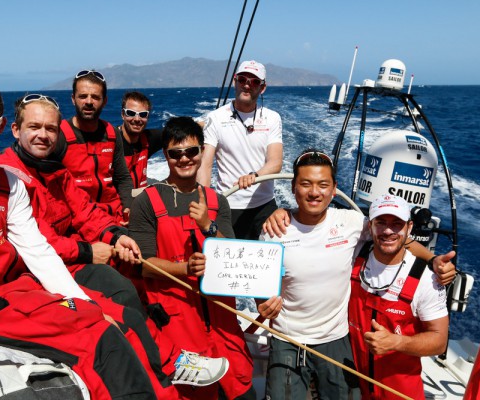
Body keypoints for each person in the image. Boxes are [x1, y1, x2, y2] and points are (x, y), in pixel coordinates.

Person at [0, 77, 156, 399]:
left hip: (14, 297)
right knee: (99, 337)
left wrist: (86, 304)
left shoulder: (8, 183)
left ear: (0, 125)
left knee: (104, 317)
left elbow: (38, 251)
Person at [0, 95, 229, 395]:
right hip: (40, 269)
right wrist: (90, 251)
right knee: (120, 300)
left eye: (51, 128)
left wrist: (117, 236)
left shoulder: (53, 168)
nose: (44, 135)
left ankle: (165, 350)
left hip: (71, 255)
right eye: (35, 127)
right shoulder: (9, 176)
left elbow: (85, 212)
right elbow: (38, 243)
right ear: (15, 130)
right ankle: (166, 367)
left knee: (132, 275)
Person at [258, 149, 456, 400]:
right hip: (286, 337)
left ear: (334, 189)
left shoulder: (352, 222)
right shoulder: (274, 230)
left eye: (323, 184)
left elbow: (393, 239)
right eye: (305, 184)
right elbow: (260, 284)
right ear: (293, 187)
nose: (314, 192)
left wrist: (432, 259)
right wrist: (261, 304)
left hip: (336, 339)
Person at [129, 117, 255, 399]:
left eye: (191, 151)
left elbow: (235, 256)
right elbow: (143, 264)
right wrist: (184, 268)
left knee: (242, 387)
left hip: (223, 321)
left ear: (201, 152)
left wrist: (207, 226)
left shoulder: (217, 201)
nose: (184, 159)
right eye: (176, 153)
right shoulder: (146, 202)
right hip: (177, 323)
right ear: (166, 155)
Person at [348, 194, 449, 400]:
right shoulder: (352, 254)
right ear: (370, 226)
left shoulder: (427, 279)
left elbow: (439, 341)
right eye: (381, 223)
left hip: (399, 393)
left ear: (409, 227)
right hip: (351, 386)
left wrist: (396, 343)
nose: (388, 231)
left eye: (397, 224)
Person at [198, 60, 283, 240]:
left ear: (262, 87)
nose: (247, 84)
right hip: (228, 206)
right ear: (235, 81)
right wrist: (203, 200)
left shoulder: (272, 118)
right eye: (242, 79)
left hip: (264, 205)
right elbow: (205, 164)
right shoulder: (215, 118)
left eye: (254, 82)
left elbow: (275, 162)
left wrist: (254, 176)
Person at [60, 69, 133, 224]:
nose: (88, 101)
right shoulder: (60, 135)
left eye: (95, 97)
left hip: (114, 217)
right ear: (73, 99)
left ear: (104, 101)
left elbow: (122, 177)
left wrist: (129, 207)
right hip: (77, 220)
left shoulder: (112, 134)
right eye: (83, 96)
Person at [116, 91, 163, 189]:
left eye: (143, 114)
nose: (137, 119)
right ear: (122, 114)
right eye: (131, 113)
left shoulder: (148, 139)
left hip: (140, 200)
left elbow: (176, 130)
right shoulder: (111, 142)